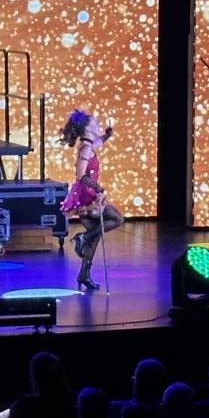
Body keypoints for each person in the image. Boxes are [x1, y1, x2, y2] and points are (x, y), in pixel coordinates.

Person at [58, 109, 122, 292]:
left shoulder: (88, 144)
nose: (97, 125)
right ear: (87, 129)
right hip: (87, 195)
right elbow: (81, 175)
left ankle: (84, 274)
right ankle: (83, 237)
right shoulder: (86, 148)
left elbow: (98, 142)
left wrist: (107, 136)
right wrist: (97, 188)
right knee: (116, 219)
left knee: (95, 234)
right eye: (94, 123)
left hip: (87, 193)